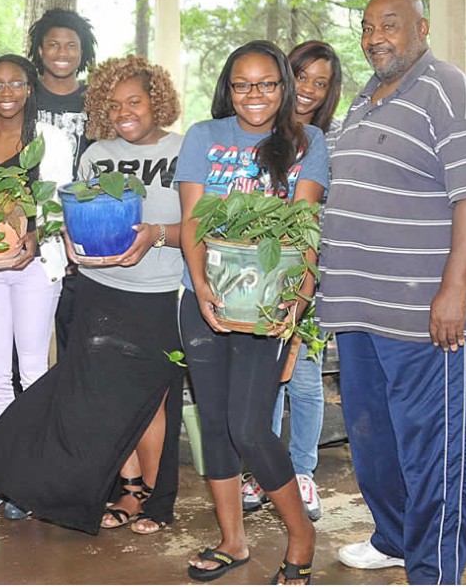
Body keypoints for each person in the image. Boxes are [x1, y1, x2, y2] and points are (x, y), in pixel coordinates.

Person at [317, 0, 466, 585]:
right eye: (367, 27)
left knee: (436, 452)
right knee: (375, 442)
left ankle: (433, 572)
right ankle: (395, 538)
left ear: (422, 26)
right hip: (365, 311)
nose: (375, 37)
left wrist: (455, 291)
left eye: (389, 25)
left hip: (428, 314)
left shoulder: (450, 90)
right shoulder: (365, 101)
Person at [0, 55, 185, 534]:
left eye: (136, 101)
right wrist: (68, 239)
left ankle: (156, 499)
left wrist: (156, 235)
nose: (125, 111)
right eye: (115, 104)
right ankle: (125, 490)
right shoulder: (95, 155)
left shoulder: (185, 149)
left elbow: (198, 226)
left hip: (159, 292)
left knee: (151, 401)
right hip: (100, 289)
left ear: (158, 100)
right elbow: (73, 216)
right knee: (101, 399)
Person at [175, 40, 328, 584]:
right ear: (228, 89)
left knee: (249, 426)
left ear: (284, 88)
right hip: (206, 301)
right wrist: (200, 286)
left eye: (266, 84)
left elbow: (306, 232)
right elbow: (192, 221)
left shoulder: (308, 142)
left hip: (270, 307)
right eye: (242, 85)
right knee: (214, 424)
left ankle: (301, 533)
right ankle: (233, 541)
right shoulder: (204, 137)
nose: (254, 95)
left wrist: (298, 307)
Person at [0, 54, 69, 518]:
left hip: (36, 266)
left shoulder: (51, 139)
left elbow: (59, 201)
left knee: (33, 372)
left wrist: (36, 235)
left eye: (15, 84)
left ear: (29, 88)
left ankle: (32, 480)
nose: (6, 93)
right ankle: (5, 477)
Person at [241, 40, 343, 522]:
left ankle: (302, 470)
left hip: (308, 275)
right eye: (301, 77)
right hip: (257, 274)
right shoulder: (255, 133)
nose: (308, 90)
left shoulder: (330, 141)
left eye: (320, 83)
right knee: (265, 379)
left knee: (302, 378)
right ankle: (263, 469)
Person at [26, 8, 97, 367]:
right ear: (39, 50)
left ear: (84, 52)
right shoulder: (24, 96)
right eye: (53, 44)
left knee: (75, 324)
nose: (62, 52)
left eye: (72, 45)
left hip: (82, 219)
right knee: (28, 334)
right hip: (32, 218)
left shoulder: (96, 99)